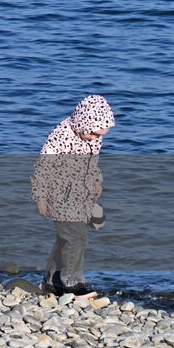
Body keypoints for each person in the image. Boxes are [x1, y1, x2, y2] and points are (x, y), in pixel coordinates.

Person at [31, 95, 115, 298]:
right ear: (83, 123)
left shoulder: (93, 136)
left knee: (65, 239)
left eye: (100, 135)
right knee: (77, 238)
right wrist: (41, 196)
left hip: (80, 195)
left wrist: (96, 180)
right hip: (58, 195)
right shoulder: (60, 136)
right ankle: (72, 284)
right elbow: (42, 167)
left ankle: (51, 283)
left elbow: (92, 161)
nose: (96, 138)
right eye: (94, 134)